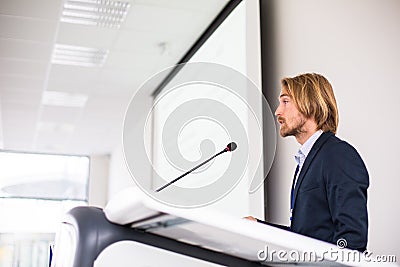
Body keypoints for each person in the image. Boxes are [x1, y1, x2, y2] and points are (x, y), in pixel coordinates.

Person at [246, 73, 369, 252]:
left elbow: (352, 240)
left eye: (285, 101)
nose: (277, 111)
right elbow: (304, 237)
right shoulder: (306, 161)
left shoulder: (338, 155)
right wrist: (258, 227)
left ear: (310, 104)